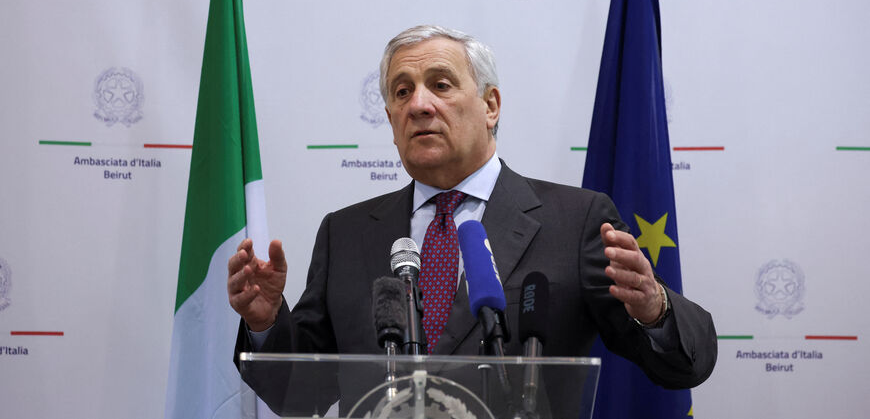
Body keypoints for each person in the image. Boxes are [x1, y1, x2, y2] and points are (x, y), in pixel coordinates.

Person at [227, 25, 717, 415]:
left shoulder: (576, 221)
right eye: (402, 92)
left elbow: (680, 367)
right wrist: (266, 323)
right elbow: (298, 397)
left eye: (440, 84)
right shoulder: (347, 233)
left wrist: (654, 310)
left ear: (490, 105)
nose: (419, 104)